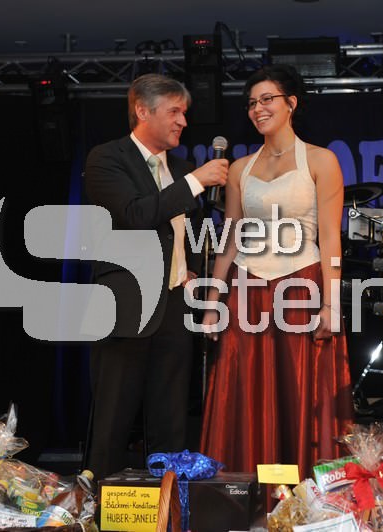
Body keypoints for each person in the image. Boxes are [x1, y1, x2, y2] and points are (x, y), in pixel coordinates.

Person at [200, 65, 353, 479]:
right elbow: (230, 238)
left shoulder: (321, 160)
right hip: (247, 291)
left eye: (267, 99)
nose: (258, 108)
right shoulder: (239, 168)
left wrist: (332, 304)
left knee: (299, 393)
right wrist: (213, 302)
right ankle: (246, 496)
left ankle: (301, 497)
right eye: (252, 103)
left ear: (291, 103)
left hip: (301, 288)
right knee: (244, 395)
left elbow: (330, 238)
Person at [83, 73, 228, 479]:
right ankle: (99, 503)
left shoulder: (180, 168)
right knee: (113, 419)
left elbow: (181, 234)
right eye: (174, 112)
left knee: (171, 419)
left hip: (175, 304)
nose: (183, 121)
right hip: (127, 305)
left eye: (185, 113)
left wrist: (189, 269)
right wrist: (196, 181)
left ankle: (171, 503)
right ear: (142, 111)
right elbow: (135, 214)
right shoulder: (107, 158)